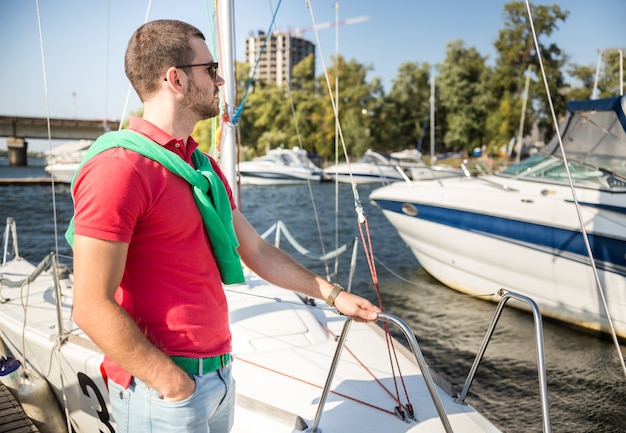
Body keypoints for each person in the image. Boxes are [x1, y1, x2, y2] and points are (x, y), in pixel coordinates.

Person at [69, 19, 380, 433]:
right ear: (175, 79)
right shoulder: (119, 169)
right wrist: (173, 384)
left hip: (217, 377)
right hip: (163, 391)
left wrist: (333, 295)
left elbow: (256, 250)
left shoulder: (201, 167)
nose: (219, 81)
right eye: (211, 69)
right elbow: (90, 306)